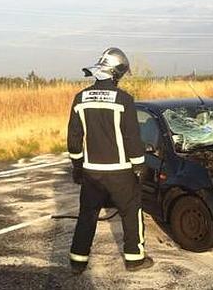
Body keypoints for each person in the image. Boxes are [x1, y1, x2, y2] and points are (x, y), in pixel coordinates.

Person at [67, 47, 153, 274]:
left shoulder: (80, 99)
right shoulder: (124, 99)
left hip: (91, 171)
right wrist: (140, 166)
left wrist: (77, 167)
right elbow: (132, 137)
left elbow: (74, 140)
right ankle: (135, 259)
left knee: (87, 214)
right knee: (131, 211)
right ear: (116, 73)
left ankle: (78, 261)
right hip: (121, 171)